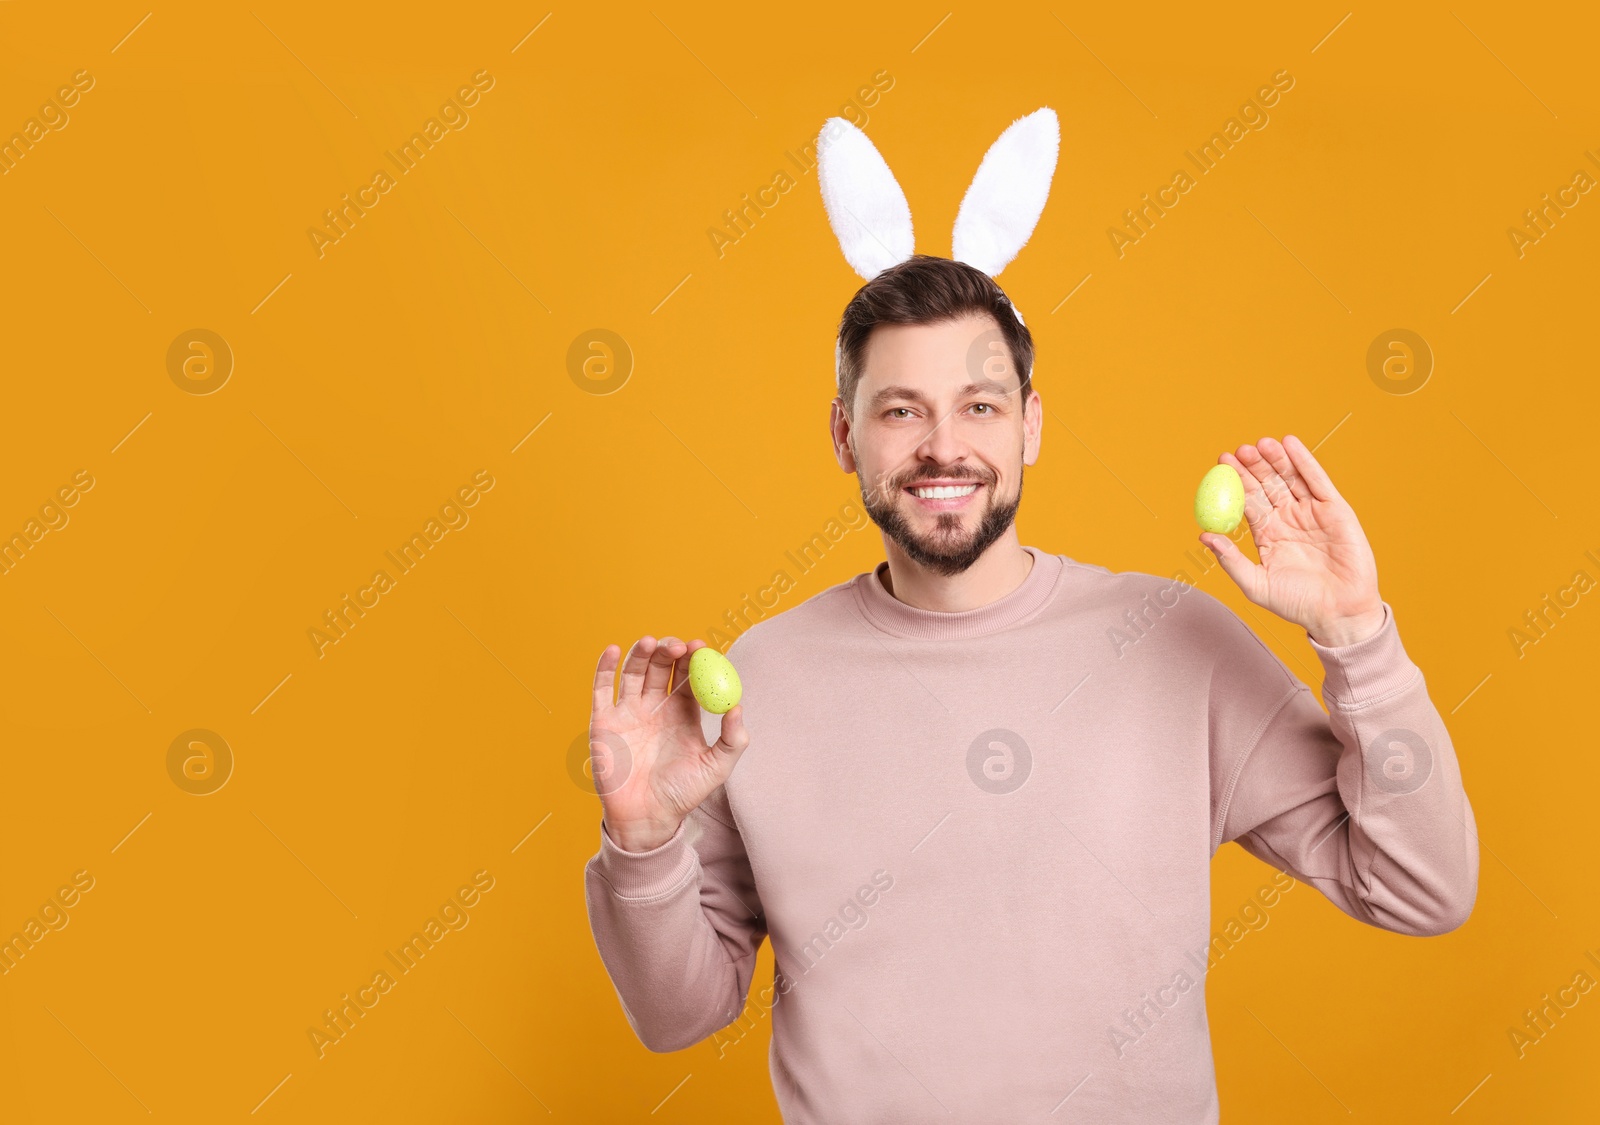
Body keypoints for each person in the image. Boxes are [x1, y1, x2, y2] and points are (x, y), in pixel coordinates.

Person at [585, 109, 1477, 1122]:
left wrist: (1358, 639)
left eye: (978, 405)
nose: (942, 446)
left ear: (1030, 423)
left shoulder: (1174, 644)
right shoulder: (767, 675)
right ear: (844, 435)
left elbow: (1422, 890)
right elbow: (677, 1017)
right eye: (899, 409)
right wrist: (643, 845)